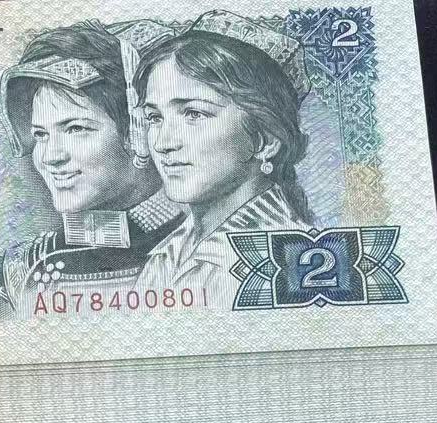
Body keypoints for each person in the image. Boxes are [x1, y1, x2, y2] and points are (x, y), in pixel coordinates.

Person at [0, 19, 184, 310]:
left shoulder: (206, 247)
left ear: (138, 130)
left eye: (76, 129)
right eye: (41, 135)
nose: (50, 156)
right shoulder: (23, 268)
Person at [133, 11, 313, 309]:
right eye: (155, 117)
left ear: (265, 140)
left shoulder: (288, 263)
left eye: (194, 114)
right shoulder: (168, 253)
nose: (163, 143)